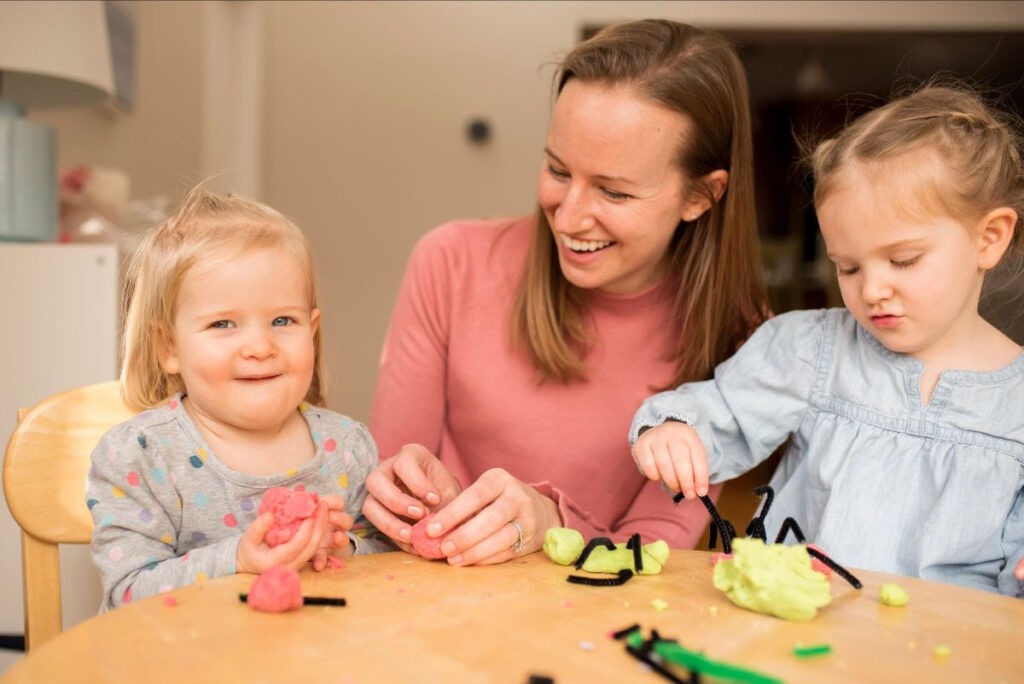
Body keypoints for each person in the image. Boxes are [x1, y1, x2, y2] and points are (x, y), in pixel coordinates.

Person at [364, 19, 768, 565]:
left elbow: (653, 552)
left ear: (700, 196)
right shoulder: (449, 262)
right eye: (557, 169)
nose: (570, 216)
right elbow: (390, 486)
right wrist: (405, 491)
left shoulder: (740, 335)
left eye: (614, 192)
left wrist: (551, 520)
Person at [630, 84, 1024, 596]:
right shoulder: (811, 350)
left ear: (988, 238)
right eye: (849, 267)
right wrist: (675, 431)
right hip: (801, 635)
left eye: (902, 260)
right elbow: (718, 411)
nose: (872, 290)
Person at [87, 186, 391, 610]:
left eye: (283, 320)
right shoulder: (141, 456)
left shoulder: (348, 447)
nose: (260, 346)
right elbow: (129, 592)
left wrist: (346, 549)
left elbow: (390, 560)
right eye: (223, 324)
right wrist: (238, 559)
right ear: (168, 347)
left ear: (313, 330)